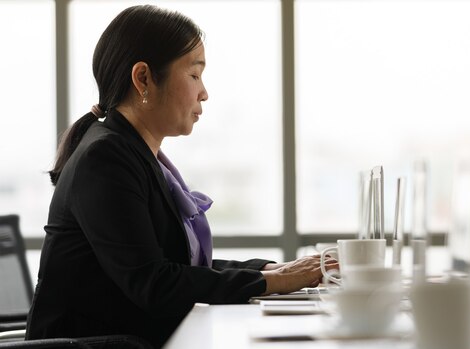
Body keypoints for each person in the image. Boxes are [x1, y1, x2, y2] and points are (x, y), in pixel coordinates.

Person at [26, 5, 337, 348]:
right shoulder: (106, 158)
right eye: (194, 74)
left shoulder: (137, 154)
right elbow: (154, 284)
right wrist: (269, 281)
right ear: (143, 78)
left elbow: (180, 266)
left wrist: (275, 270)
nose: (204, 92)